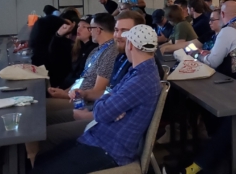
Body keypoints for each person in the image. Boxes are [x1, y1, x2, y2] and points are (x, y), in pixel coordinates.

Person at [32, 25, 162, 174]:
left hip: (108, 149)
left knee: (40, 169)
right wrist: (110, 102)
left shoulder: (140, 80)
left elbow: (101, 114)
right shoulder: (141, 72)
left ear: (130, 45)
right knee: (43, 159)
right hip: (100, 139)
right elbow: (110, 97)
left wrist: (108, 103)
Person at [45, 14, 117, 121]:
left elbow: (98, 91)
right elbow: (83, 78)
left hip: (86, 103)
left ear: (97, 30)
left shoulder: (110, 52)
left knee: (42, 109)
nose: (90, 31)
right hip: (76, 97)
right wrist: (65, 92)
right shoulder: (96, 50)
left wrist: (66, 95)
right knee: (41, 105)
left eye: (90, 28)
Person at [196, 0, 236, 76]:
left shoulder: (227, 30)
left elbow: (213, 62)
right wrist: (211, 53)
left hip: (235, 79)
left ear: (222, 14)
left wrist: (198, 55)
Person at [53, 15, 97, 90]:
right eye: (78, 26)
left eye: (84, 27)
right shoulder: (79, 47)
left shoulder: (94, 50)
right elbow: (55, 52)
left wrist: (64, 92)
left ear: (92, 30)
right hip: (67, 87)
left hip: (76, 92)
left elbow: (83, 78)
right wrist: (58, 35)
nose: (79, 29)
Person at [46, 11, 82, 87]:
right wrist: (58, 35)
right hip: (63, 82)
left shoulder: (77, 39)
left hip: (69, 83)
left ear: (74, 23)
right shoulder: (61, 37)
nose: (65, 26)